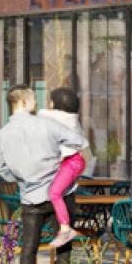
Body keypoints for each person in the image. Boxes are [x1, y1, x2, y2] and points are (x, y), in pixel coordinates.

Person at [0, 88, 85, 264]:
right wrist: (60, 160)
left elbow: (3, 171)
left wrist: (22, 179)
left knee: (28, 247)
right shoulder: (47, 124)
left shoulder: (0, 136)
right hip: (61, 192)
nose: (37, 102)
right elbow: (80, 142)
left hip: (30, 195)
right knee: (64, 248)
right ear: (24, 103)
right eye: (34, 99)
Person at [41, 88, 89, 251]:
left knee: (54, 192)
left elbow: (40, 115)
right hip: (73, 161)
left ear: (56, 104)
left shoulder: (58, 117)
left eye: (50, 101)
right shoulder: (72, 118)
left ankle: (65, 229)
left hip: (72, 162)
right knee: (58, 191)